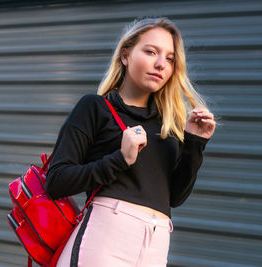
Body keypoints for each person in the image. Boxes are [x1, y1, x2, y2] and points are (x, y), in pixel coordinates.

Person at [45, 17, 216, 267]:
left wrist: (194, 143)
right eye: (150, 51)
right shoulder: (95, 107)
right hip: (104, 239)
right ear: (125, 55)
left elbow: (175, 197)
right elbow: (56, 181)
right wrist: (119, 159)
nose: (160, 64)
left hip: (155, 246)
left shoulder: (168, 124)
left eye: (169, 59)